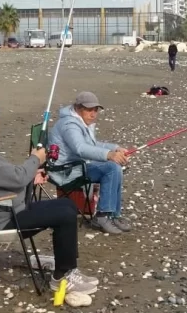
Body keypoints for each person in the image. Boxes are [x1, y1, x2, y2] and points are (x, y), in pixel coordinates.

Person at [0, 96, 98, 295]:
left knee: (66, 205)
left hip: (2, 208)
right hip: (0, 219)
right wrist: (36, 159)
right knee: (65, 214)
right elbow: (15, 178)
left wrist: (29, 178)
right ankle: (62, 277)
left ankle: (67, 266)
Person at [48, 91, 132, 235]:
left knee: (115, 166)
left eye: (96, 110)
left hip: (76, 165)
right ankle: (102, 215)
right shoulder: (70, 125)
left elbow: (92, 144)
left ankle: (112, 214)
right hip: (64, 171)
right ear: (78, 108)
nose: (93, 114)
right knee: (111, 168)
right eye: (89, 110)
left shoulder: (81, 121)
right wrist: (109, 155)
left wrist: (115, 148)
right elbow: (80, 148)